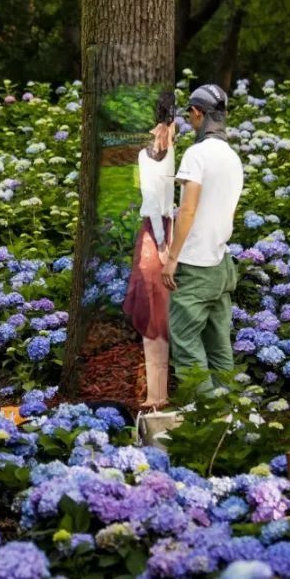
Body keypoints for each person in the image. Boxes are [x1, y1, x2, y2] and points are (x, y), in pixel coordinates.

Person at [160, 84, 243, 392]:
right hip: (221, 263)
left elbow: (188, 210)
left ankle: (208, 416)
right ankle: (231, 414)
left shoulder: (197, 155)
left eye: (190, 115)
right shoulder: (232, 157)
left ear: (197, 113)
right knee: (219, 345)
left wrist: (171, 259)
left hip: (195, 266)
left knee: (184, 343)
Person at [122, 111, 174, 409]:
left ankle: (159, 393)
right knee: (154, 309)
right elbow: (153, 202)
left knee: (160, 313)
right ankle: (156, 394)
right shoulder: (148, 156)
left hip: (163, 231)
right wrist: (164, 243)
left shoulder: (170, 153)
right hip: (155, 236)